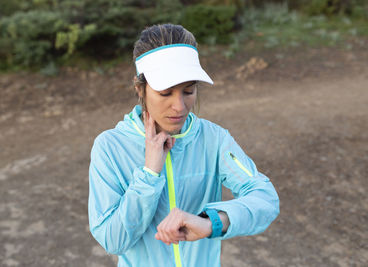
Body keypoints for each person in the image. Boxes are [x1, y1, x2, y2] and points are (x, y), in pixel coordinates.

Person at [88, 24, 279, 267]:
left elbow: (265, 198)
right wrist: (149, 175)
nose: (179, 106)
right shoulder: (110, 147)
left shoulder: (213, 139)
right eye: (166, 93)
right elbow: (112, 240)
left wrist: (212, 222)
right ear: (140, 89)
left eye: (188, 91)